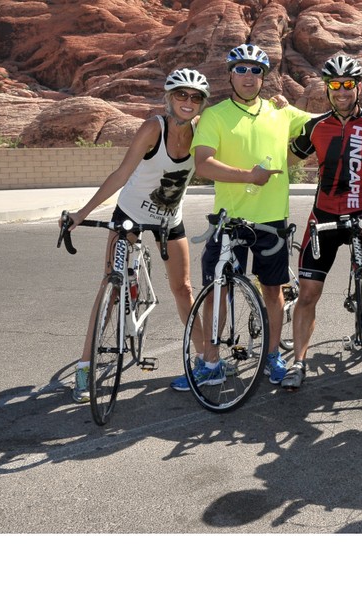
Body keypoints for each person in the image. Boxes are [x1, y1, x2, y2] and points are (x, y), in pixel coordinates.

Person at [63, 68, 210, 403]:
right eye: (181, 95)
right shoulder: (152, 128)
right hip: (129, 216)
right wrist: (82, 213)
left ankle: (207, 359)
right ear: (169, 98)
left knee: (183, 288)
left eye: (195, 97)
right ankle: (85, 369)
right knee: (110, 287)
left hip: (170, 221)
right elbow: (121, 174)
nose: (187, 102)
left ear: (202, 103)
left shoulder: (203, 131)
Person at [170, 44, 310, 391]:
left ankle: (273, 356)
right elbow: (203, 163)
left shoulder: (281, 114)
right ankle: (212, 361)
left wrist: (291, 112)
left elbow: (321, 129)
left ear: (265, 76)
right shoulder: (215, 115)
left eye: (257, 70)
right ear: (230, 74)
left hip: (271, 219)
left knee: (273, 291)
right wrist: (249, 175)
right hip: (228, 219)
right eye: (242, 70)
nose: (249, 77)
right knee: (218, 291)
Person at [281, 54, 362, 390]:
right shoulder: (316, 126)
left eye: (348, 84)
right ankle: (299, 363)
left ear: (358, 87)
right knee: (307, 295)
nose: (342, 91)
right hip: (323, 218)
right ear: (328, 89)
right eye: (335, 85)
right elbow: (285, 158)